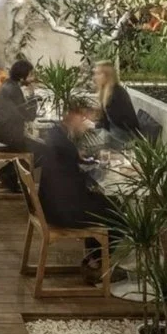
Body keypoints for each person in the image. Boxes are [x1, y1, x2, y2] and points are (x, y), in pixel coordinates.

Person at [38, 100, 127, 284]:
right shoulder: (63, 144)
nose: (86, 121)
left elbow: (69, 166)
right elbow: (77, 173)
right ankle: (98, 265)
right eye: (84, 117)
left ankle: (94, 260)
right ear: (72, 115)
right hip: (64, 211)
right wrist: (98, 167)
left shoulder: (56, 135)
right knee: (119, 215)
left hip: (51, 205)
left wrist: (81, 158)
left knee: (107, 202)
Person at [0, 59, 45, 189]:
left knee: (39, 145)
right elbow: (30, 116)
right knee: (45, 151)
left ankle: (8, 173)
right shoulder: (13, 90)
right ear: (22, 76)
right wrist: (32, 95)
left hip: (0, 134)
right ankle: (9, 174)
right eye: (30, 75)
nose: (32, 78)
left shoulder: (8, 84)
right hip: (6, 138)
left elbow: (21, 112)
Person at [93, 61, 140, 146]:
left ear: (107, 76)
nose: (95, 77)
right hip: (114, 132)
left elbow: (123, 124)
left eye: (98, 74)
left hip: (126, 136)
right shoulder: (105, 92)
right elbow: (104, 121)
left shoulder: (117, 94)